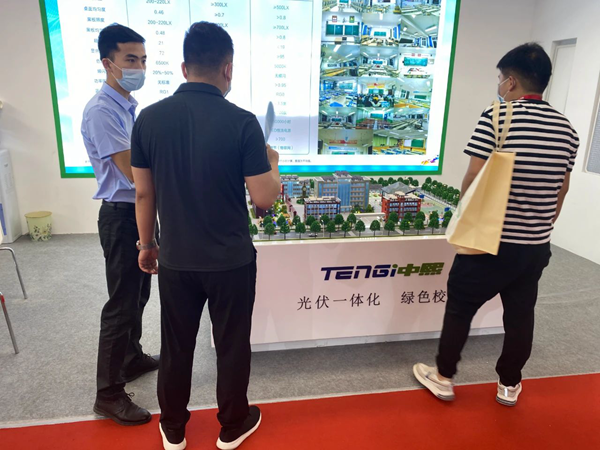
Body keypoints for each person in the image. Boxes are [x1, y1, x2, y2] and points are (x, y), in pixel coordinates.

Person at [131, 22, 281, 450]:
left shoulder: (149, 119)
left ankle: (173, 428)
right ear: (228, 68)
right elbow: (264, 197)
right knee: (231, 345)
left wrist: (147, 244)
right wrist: (273, 161)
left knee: (176, 345)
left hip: (176, 259)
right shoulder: (243, 122)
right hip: (231, 261)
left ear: (184, 67)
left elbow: (143, 192)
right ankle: (232, 425)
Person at [413, 43, 579, 406]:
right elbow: (562, 187)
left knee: (460, 307)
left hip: (490, 240)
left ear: (512, 81)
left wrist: (464, 214)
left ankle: (443, 377)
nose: (500, 84)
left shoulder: (498, 116)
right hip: (535, 246)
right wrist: (542, 225)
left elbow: (474, 174)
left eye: (501, 78)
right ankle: (509, 384)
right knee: (520, 314)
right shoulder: (567, 129)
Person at [81, 24, 158, 426]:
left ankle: (131, 357)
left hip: (137, 213)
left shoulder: (127, 107)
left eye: (143, 60)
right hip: (122, 215)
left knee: (139, 294)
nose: (138, 68)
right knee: (121, 303)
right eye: (130, 59)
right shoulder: (103, 110)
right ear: (108, 63)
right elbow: (133, 173)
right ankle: (108, 394)